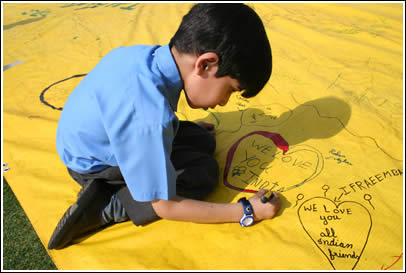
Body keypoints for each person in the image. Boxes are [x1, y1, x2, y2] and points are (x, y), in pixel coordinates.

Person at [48, 3, 280, 250]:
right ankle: (110, 204)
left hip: (90, 140)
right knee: (202, 172)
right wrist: (246, 210)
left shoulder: (145, 57)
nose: (223, 102)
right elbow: (166, 206)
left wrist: (173, 128)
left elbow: (137, 111)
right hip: (94, 165)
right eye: (230, 90)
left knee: (203, 140)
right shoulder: (149, 116)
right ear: (206, 65)